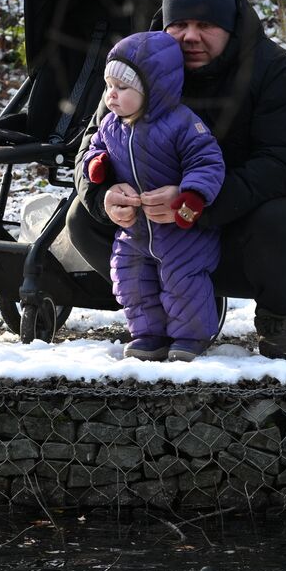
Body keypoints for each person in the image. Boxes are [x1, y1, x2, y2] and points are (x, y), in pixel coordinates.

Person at [68, 0, 286, 359]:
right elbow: (91, 142)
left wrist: (193, 205)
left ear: (229, 26)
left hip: (244, 237)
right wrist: (102, 191)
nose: (190, 36)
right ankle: (158, 318)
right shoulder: (138, 64)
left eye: (205, 25)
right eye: (179, 25)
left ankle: (276, 315)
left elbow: (285, 165)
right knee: (82, 217)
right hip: (159, 238)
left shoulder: (274, 71)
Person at [81, 31, 225, 362]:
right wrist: (97, 165)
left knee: (181, 280)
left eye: (123, 88)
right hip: (135, 228)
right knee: (130, 276)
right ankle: (148, 334)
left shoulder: (182, 124)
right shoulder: (110, 125)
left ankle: (190, 336)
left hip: (179, 229)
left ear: (153, 89)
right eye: (109, 87)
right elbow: (95, 148)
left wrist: (191, 197)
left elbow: (206, 161)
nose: (112, 96)